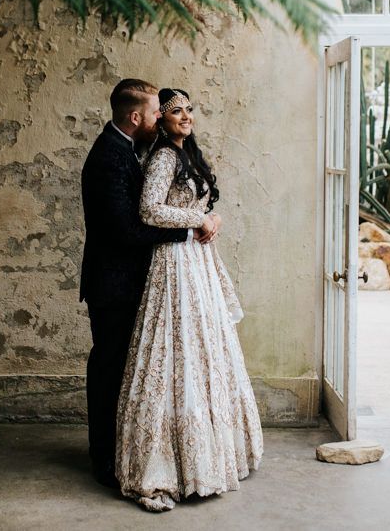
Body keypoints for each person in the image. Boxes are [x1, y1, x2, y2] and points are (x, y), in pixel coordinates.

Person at [115, 87, 263, 512]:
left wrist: (211, 217)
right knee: (174, 347)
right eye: (175, 111)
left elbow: (199, 207)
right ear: (159, 120)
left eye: (189, 110)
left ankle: (211, 453)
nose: (185, 116)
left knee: (204, 348)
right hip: (174, 260)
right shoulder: (162, 157)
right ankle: (167, 463)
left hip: (196, 260)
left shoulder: (188, 155)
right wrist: (200, 218)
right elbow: (149, 210)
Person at [80, 79, 191, 488]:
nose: (160, 117)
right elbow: (126, 229)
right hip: (112, 285)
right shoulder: (110, 156)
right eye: (155, 112)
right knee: (110, 369)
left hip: (123, 282)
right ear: (135, 116)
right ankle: (104, 459)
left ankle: (117, 451)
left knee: (122, 370)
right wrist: (184, 231)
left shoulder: (127, 149)